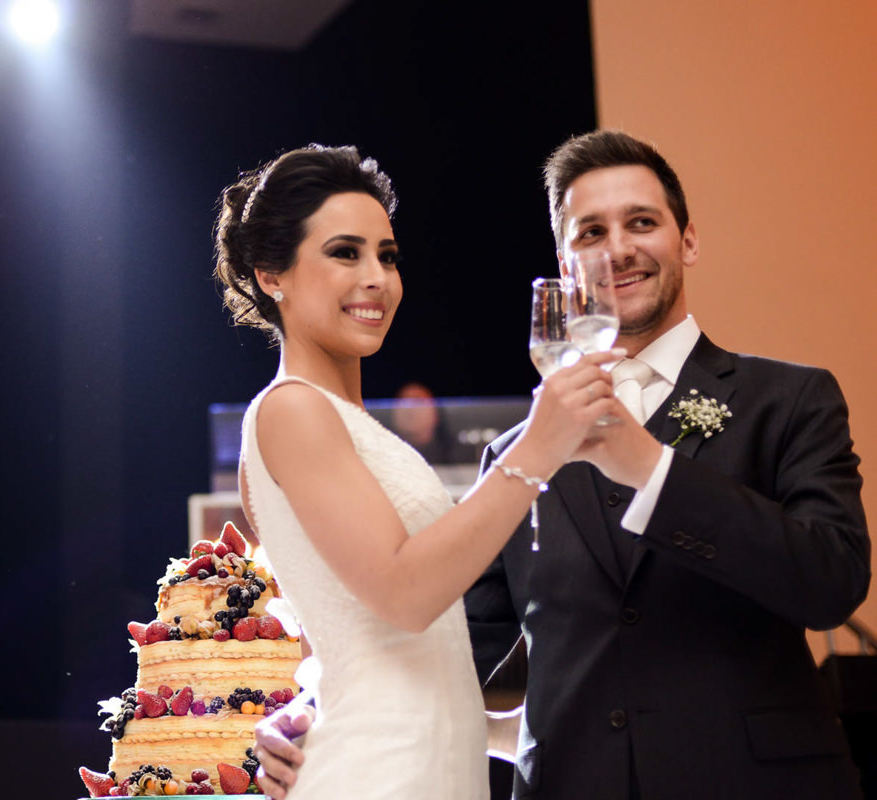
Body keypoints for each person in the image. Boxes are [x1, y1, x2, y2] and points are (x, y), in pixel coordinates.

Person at [254, 130, 870, 800]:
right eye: (591, 232)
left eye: (642, 222)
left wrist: (651, 469)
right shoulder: (515, 455)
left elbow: (831, 585)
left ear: (688, 240)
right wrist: (314, 711)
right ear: (564, 261)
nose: (619, 249)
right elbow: (440, 647)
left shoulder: (788, 400)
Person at [215, 144, 620, 799]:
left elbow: (374, 650)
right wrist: (539, 445)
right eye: (345, 253)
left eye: (387, 255)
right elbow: (405, 595)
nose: (377, 277)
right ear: (270, 275)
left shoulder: (355, 431)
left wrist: (515, 729)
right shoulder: (290, 411)